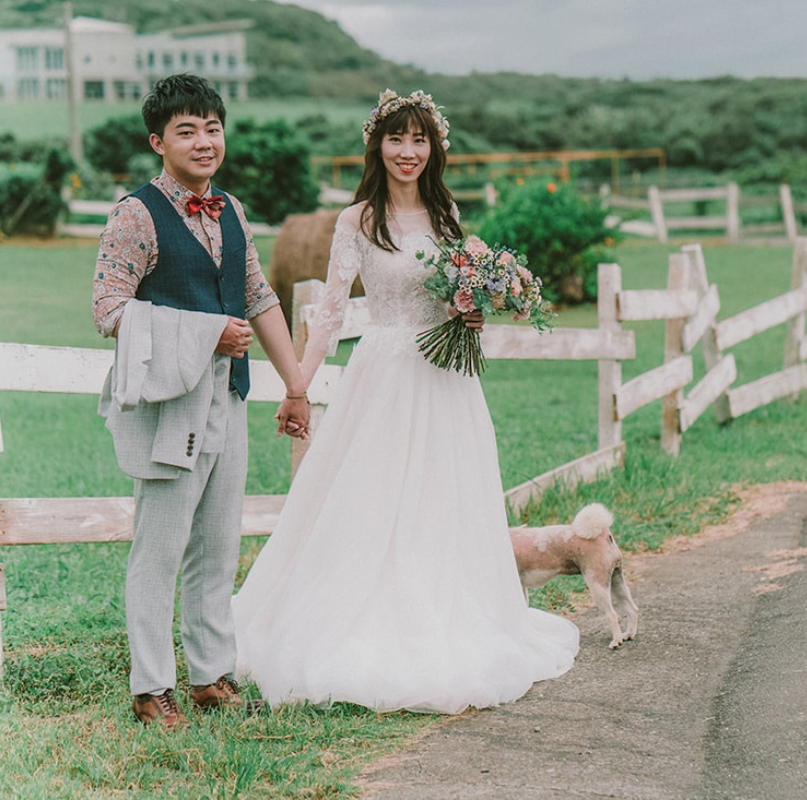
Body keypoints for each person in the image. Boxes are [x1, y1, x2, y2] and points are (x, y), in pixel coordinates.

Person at [231, 89, 579, 713]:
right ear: (378, 146)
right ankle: (354, 619)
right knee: (371, 497)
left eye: (419, 140)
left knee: (445, 499)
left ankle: (450, 614)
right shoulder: (357, 221)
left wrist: (470, 313)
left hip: (446, 382)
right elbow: (330, 318)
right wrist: (298, 387)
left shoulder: (449, 219)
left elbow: (453, 299)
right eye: (397, 139)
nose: (408, 152)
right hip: (383, 376)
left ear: (434, 149)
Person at [92, 73, 311, 730]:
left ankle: (212, 675)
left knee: (218, 546)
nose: (204, 140)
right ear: (158, 140)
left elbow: (259, 299)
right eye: (186, 130)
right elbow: (107, 310)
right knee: (159, 548)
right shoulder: (135, 214)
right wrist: (203, 334)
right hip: (170, 405)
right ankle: (151, 686)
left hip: (230, 399)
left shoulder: (234, 209)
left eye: (212, 127)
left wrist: (296, 384)